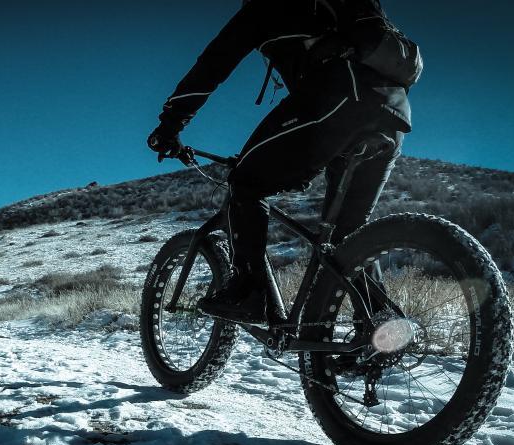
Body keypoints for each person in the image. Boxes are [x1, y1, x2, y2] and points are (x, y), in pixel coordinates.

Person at [147, 0, 413, 325]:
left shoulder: (264, 7)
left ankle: (250, 292)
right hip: (392, 114)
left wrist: (169, 126)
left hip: (336, 98)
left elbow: (212, 66)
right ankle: (377, 331)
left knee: (246, 181)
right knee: (347, 238)